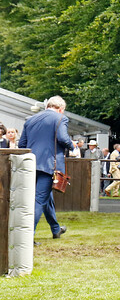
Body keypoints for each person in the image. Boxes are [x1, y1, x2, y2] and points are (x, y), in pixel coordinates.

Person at [17, 96, 75, 240]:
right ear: (61, 109)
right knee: (39, 200)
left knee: (46, 198)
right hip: (49, 165)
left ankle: (56, 230)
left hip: (30, 165)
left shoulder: (30, 120)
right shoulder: (61, 118)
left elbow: (22, 145)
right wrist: (71, 145)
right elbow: (62, 137)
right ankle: (28, 237)